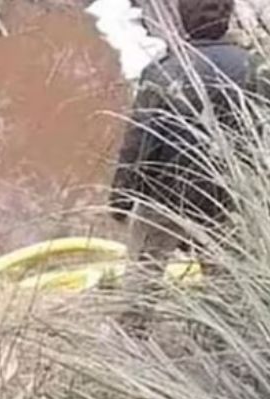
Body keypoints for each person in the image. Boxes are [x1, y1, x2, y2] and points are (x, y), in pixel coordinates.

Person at [109, 0, 261, 332]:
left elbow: (139, 144)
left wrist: (120, 200)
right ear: (228, 18)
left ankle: (132, 334)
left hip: (166, 197)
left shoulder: (163, 72)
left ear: (183, 21)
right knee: (226, 273)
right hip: (227, 195)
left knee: (143, 272)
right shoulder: (252, 67)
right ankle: (233, 334)